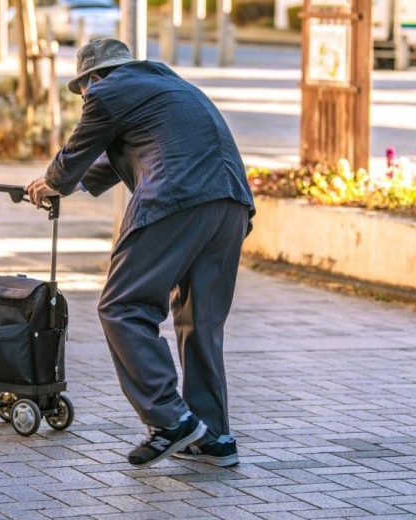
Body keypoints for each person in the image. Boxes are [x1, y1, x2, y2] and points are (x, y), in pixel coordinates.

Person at [27, 38, 255, 468]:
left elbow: (74, 155)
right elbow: (121, 154)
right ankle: (214, 439)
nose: (85, 97)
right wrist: (71, 184)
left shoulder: (106, 92)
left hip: (176, 200)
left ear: (92, 78)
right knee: (199, 321)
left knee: (122, 306)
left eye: (83, 90)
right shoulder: (167, 85)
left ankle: (172, 420)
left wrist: (52, 182)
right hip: (231, 204)